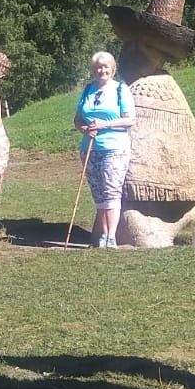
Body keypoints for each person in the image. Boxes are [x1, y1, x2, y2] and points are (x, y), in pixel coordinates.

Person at [74, 52, 135, 248]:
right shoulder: (88, 90)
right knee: (98, 193)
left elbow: (129, 120)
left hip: (114, 147)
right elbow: (78, 119)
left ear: (112, 68)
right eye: (98, 67)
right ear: (93, 70)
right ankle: (102, 236)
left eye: (106, 66)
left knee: (111, 191)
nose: (102, 70)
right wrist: (84, 128)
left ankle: (111, 236)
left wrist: (103, 125)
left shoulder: (120, 89)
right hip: (90, 148)